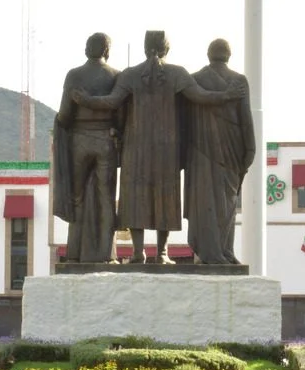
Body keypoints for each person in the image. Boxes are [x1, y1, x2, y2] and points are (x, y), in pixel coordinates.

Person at [73, 30, 243, 264]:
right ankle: (162, 253)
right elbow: (201, 96)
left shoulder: (130, 74)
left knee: (135, 196)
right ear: (166, 49)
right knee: (166, 196)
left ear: (144, 47)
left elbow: (111, 102)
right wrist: (227, 95)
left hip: (136, 145)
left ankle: (137, 253)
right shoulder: (177, 74)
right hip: (167, 147)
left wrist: (86, 100)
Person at [184, 39, 255, 264]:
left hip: (200, 152)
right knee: (227, 203)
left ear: (208, 55)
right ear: (229, 55)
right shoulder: (239, 81)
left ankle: (212, 252)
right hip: (231, 152)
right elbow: (246, 121)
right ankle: (224, 251)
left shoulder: (195, 80)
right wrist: (250, 149)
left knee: (205, 201)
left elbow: (184, 124)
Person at [53, 33, 120, 263]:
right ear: (107, 50)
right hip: (106, 139)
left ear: (86, 49)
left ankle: (74, 253)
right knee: (107, 198)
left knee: (77, 197)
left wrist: (60, 123)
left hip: (79, 139)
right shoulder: (115, 76)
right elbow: (121, 115)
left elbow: (65, 114)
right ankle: (106, 254)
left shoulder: (74, 75)